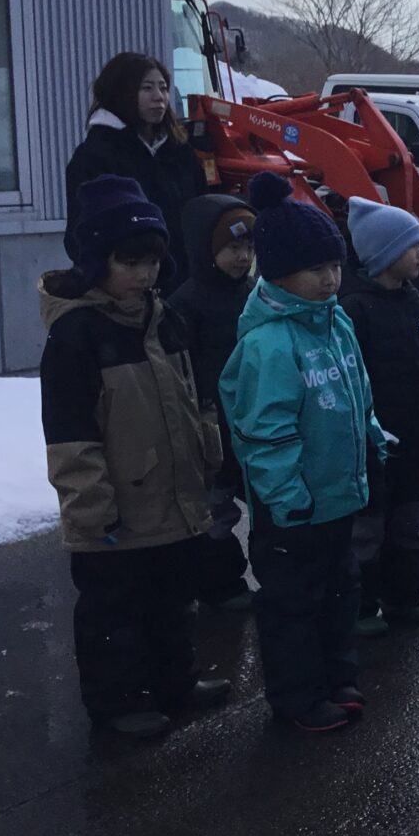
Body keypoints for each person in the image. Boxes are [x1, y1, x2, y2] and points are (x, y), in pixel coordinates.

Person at [39, 174, 232, 738]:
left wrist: (208, 446)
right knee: (112, 612)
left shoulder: (164, 318)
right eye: (129, 261)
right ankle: (118, 700)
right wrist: (90, 506)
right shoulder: (77, 336)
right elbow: (70, 433)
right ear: (97, 260)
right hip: (115, 508)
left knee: (173, 599)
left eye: (151, 260)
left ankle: (176, 680)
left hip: (172, 494)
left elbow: (194, 395)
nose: (144, 274)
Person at [221, 172, 386, 735]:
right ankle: (297, 694)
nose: (330, 279)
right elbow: (263, 432)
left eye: (335, 266)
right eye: (316, 269)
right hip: (292, 508)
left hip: (336, 496)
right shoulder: (269, 344)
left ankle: (337, 678)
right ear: (280, 273)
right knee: (293, 604)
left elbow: (354, 391)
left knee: (341, 593)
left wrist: (372, 433)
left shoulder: (334, 322)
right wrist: (286, 496)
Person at [341, 197, 419, 635]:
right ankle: (362, 607)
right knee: (366, 530)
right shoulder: (354, 310)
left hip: (411, 441)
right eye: (414, 246)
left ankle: (406, 598)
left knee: (408, 524)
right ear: (385, 254)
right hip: (370, 445)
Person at [167, 193, 257, 612]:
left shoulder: (256, 295)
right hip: (212, 427)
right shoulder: (186, 303)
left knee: (262, 506)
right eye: (232, 248)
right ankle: (220, 586)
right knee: (216, 514)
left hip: (254, 425)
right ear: (207, 250)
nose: (242, 257)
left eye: (248, 248)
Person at [65, 53, 208, 294]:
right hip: (124, 299)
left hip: (184, 290)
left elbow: (201, 212)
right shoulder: (95, 156)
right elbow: (81, 236)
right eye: (147, 88)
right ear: (121, 92)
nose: (159, 98)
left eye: (163, 88)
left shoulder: (180, 152)